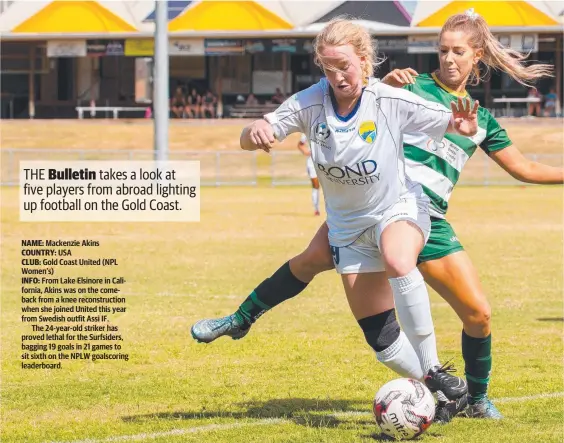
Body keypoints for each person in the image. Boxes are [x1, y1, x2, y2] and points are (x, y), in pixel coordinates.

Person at [192, 10, 561, 422]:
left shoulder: (481, 120)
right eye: (442, 50)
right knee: (310, 263)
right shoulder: (407, 84)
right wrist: (382, 81)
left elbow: (527, 169)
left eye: (458, 52)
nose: (449, 59)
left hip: (423, 218)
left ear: (477, 56)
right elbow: (366, 99)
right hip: (370, 209)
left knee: (479, 314)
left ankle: (475, 398)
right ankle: (242, 318)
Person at [297, 133, 321, 215]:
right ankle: (316, 209)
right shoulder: (307, 130)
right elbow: (300, 144)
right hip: (312, 163)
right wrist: (306, 152)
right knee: (316, 185)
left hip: (325, 161)